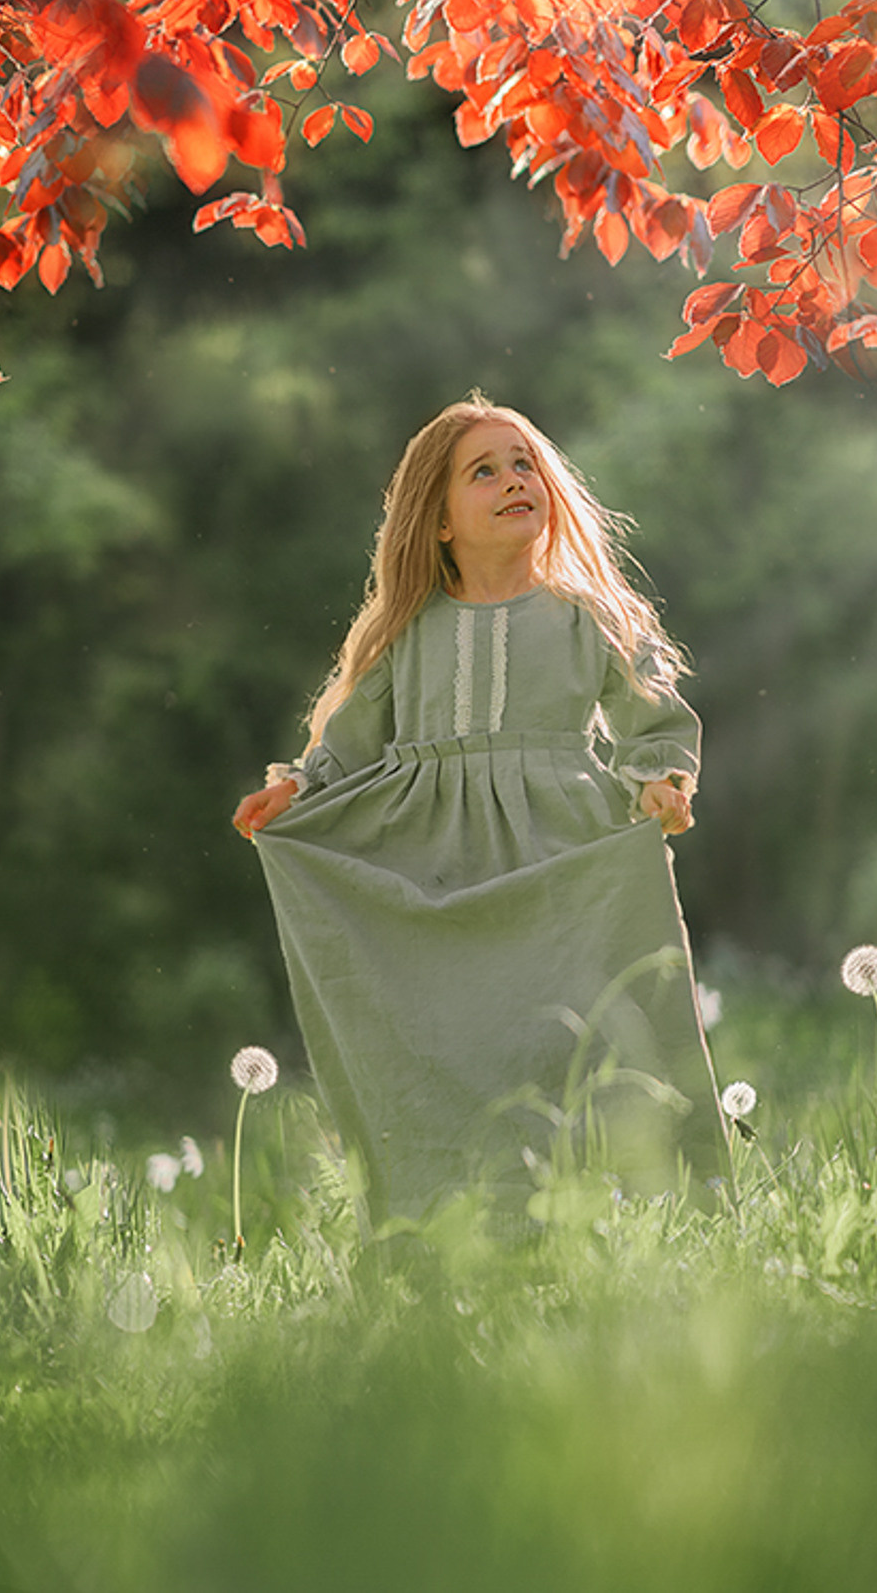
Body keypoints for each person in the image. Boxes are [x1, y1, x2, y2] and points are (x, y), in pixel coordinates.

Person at [233, 394, 709, 1221]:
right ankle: (461, 1216)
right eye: (483, 471)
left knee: (580, 1027)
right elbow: (348, 744)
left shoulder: (589, 617)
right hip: (435, 864)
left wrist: (659, 777)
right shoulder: (405, 631)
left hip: (564, 856)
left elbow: (653, 716)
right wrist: (299, 790)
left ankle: (621, 1203)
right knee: (458, 1042)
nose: (514, 480)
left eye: (525, 464)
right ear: (441, 519)